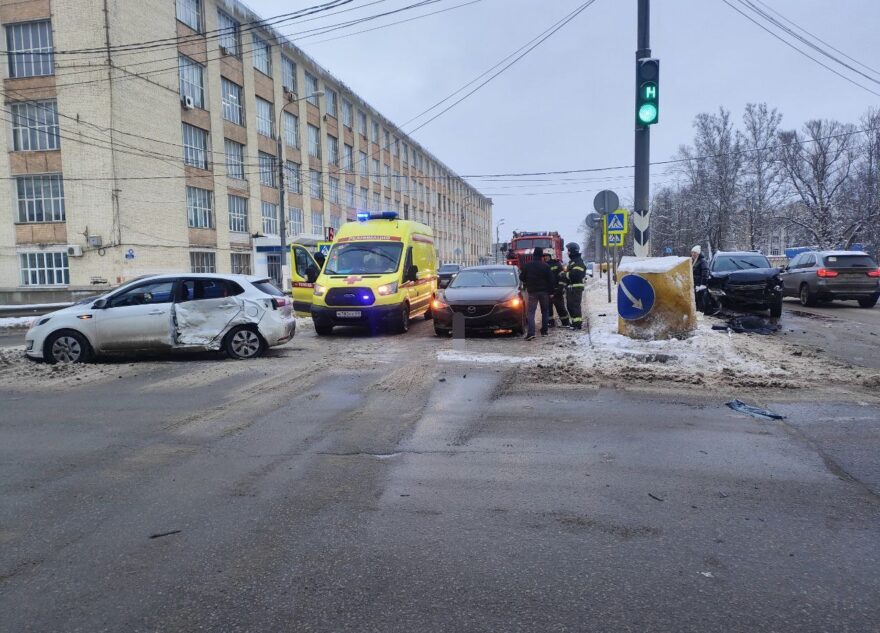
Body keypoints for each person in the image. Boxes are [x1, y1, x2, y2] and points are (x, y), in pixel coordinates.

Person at [519, 247, 555, 340]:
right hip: (544, 292)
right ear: (541, 256)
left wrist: (528, 280)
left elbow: (521, 277)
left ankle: (531, 333)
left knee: (531, 313)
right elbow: (551, 280)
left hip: (532, 292)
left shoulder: (527, 265)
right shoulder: (546, 266)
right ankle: (544, 331)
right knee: (545, 311)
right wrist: (551, 292)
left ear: (533, 255)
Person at [543, 251, 570, 328]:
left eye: (547, 256)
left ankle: (565, 323)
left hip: (557, 291)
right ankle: (550, 323)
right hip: (547, 291)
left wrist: (559, 289)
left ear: (551, 256)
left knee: (560, 308)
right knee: (548, 308)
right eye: (544, 256)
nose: (545, 257)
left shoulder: (557, 264)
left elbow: (562, 278)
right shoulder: (544, 265)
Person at [564, 243, 587, 330]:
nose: (568, 253)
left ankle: (577, 324)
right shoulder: (573, 261)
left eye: (569, 251)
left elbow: (576, 275)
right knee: (570, 306)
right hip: (571, 288)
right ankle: (574, 322)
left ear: (573, 251)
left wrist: (565, 274)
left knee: (575, 306)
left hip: (576, 288)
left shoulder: (578, 262)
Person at [691, 245, 709, 312]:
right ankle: (697, 312)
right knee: (696, 299)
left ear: (698, 253)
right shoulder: (694, 260)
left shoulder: (702, 261)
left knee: (700, 300)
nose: (693, 254)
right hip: (695, 283)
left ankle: (700, 313)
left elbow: (705, 272)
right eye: (692, 252)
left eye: (694, 252)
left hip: (699, 284)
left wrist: (703, 284)